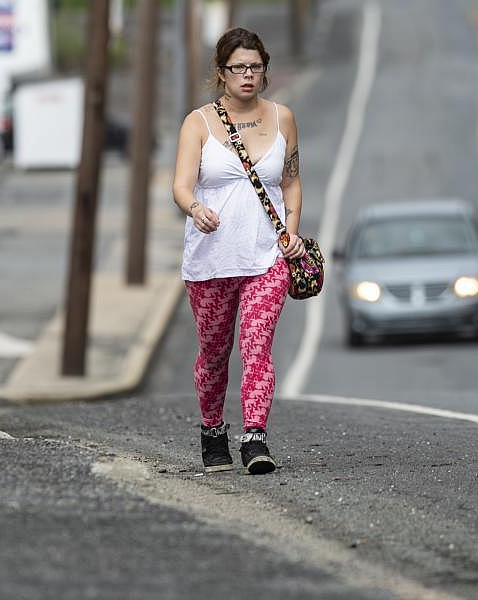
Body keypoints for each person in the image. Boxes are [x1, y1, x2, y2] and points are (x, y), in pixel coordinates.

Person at [172, 27, 306, 475]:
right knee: (213, 352)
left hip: (266, 257)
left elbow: (290, 180)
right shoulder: (199, 122)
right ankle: (213, 432)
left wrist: (292, 231)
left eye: (255, 67)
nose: (248, 75)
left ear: (265, 69)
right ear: (222, 72)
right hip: (211, 260)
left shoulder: (282, 117)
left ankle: (254, 437)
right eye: (238, 68)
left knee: (256, 346)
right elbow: (180, 184)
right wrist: (194, 208)